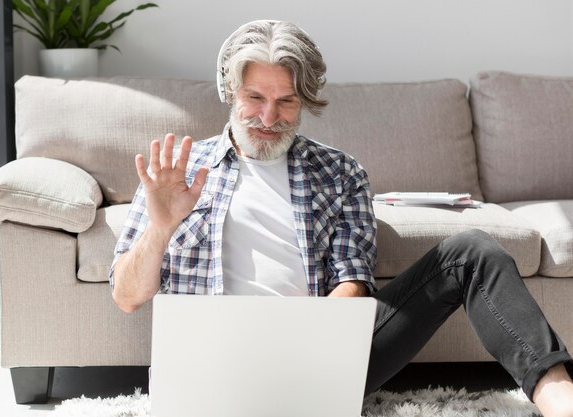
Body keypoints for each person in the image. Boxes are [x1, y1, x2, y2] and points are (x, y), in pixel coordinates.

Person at [109, 20, 573, 417]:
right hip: (212, 370)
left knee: (473, 251)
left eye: (287, 101)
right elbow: (127, 298)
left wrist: (307, 341)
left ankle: (560, 399)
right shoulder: (178, 172)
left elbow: (353, 280)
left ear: (306, 101)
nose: (269, 116)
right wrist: (161, 227)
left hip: (314, 359)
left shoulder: (340, 172)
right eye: (255, 97)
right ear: (229, 92)